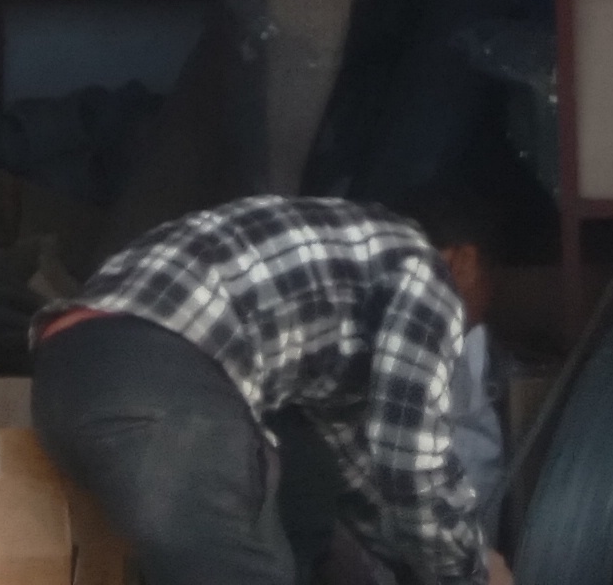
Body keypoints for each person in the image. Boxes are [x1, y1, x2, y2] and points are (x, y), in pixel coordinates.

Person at [33, 195, 511, 585]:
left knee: (277, 541)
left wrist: (413, 564)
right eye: (490, 296)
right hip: (165, 381)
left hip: (66, 378)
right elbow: (411, 460)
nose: (470, 329)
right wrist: (471, 570)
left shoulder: (350, 274)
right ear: (464, 261)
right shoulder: (425, 272)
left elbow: (362, 477)